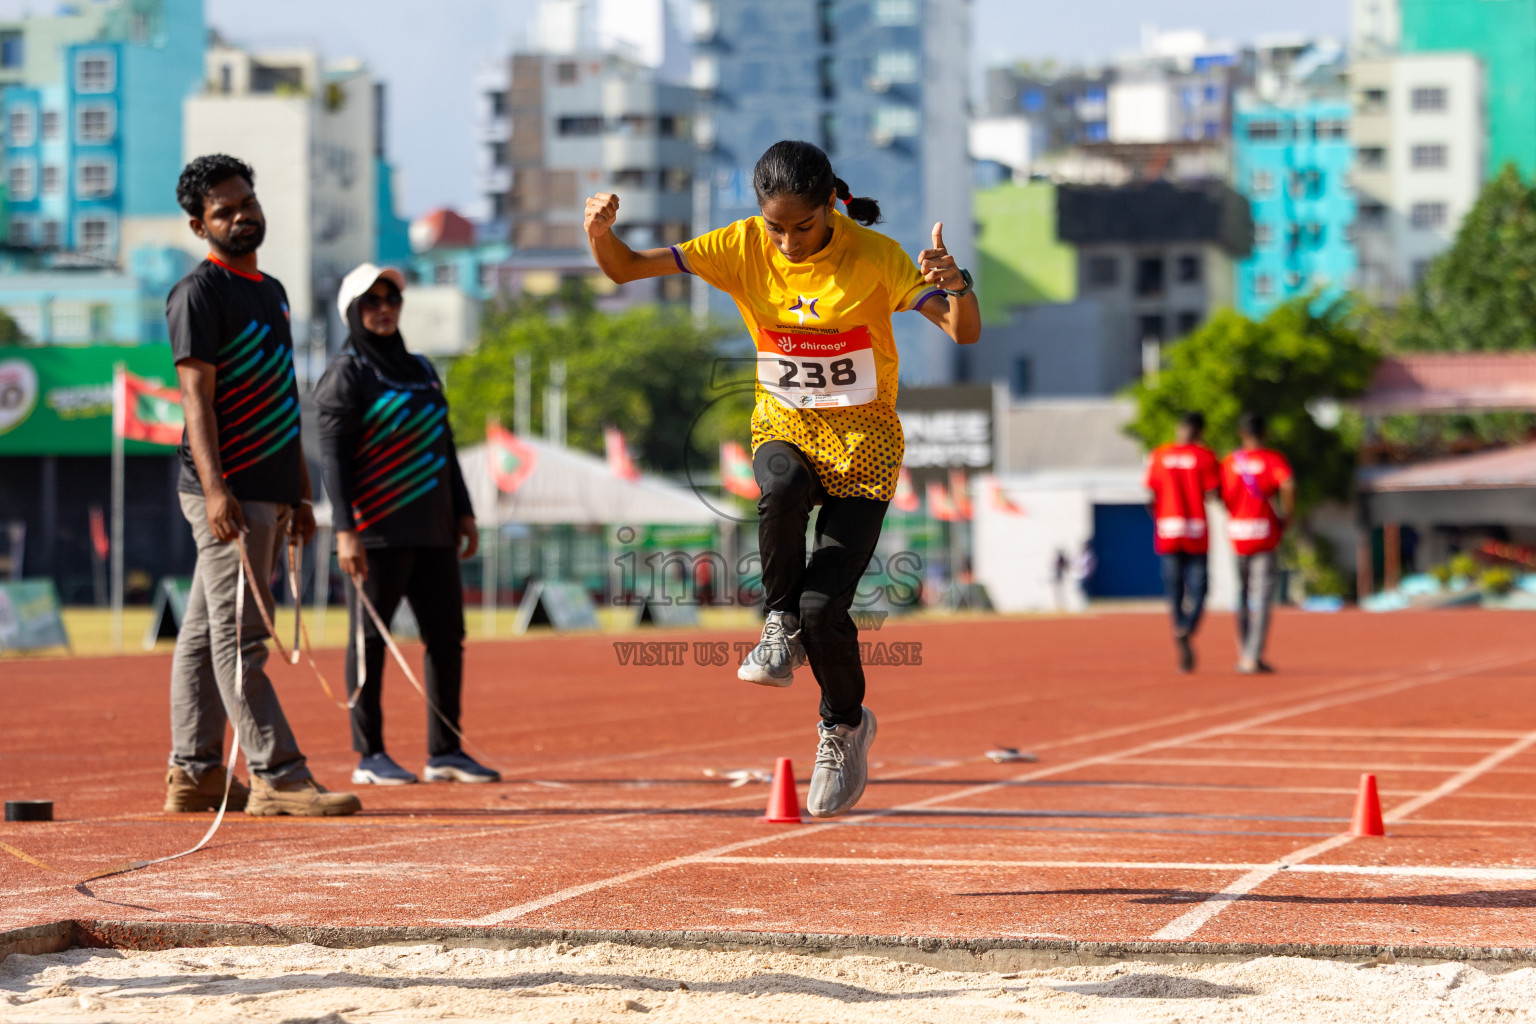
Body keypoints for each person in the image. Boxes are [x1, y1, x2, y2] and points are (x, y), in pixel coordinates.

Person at [583, 140, 980, 817]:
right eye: (776, 227)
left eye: (804, 227)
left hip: (865, 446)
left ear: (832, 205)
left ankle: (844, 725)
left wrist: (956, 283)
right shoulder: (739, 246)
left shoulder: (876, 257)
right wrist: (599, 233)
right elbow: (623, 270)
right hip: (784, 427)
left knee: (827, 610)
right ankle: (775, 622)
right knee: (780, 487)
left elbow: (961, 332)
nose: (789, 244)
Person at [164, 154, 360, 817]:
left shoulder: (273, 290)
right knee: (242, 637)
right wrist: (218, 492)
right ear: (199, 225)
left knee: (202, 634)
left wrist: (301, 492)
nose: (243, 214)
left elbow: (283, 396)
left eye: (246, 201)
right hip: (227, 492)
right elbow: (196, 398)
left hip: (271, 488)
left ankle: (194, 773)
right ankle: (277, 772)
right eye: (225, 210)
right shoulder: (199, 293)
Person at [314, 264, 498, 786]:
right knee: (369, 641)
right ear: (353, 311)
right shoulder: (346, 373)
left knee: (447, 638)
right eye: (371, 301)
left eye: (391, 298)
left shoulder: (419, 368)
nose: (384, 308)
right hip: (375, 532)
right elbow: (333, 459)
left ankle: (446, 752)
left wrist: (464, 512)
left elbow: (444, 445)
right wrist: (345, 530)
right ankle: (369, 755)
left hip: (434, 529)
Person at [1144, 412, 1220, 672]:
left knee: (1174, 589)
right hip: (1196, 531)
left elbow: (1150, 494)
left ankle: (1180, 629)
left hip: (1168, 530)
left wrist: (1161, 516)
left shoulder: (1160, 454)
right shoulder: (1205, 456)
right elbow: (1212, 492)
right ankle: (1187, 627)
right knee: (1199, 588)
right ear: (1200, 431)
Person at [1221, 412, 1296, 674]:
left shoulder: (1230, 462)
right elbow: (1288, 484)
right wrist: (1287, 515)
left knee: (1241, 595)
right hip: (1264, 535)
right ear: (1264, 433)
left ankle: (1244, 652)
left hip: (1238, 536)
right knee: (1262, 598)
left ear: (1241, 434)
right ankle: (1252, 656)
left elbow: (1220, 495)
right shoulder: (1272, 460)